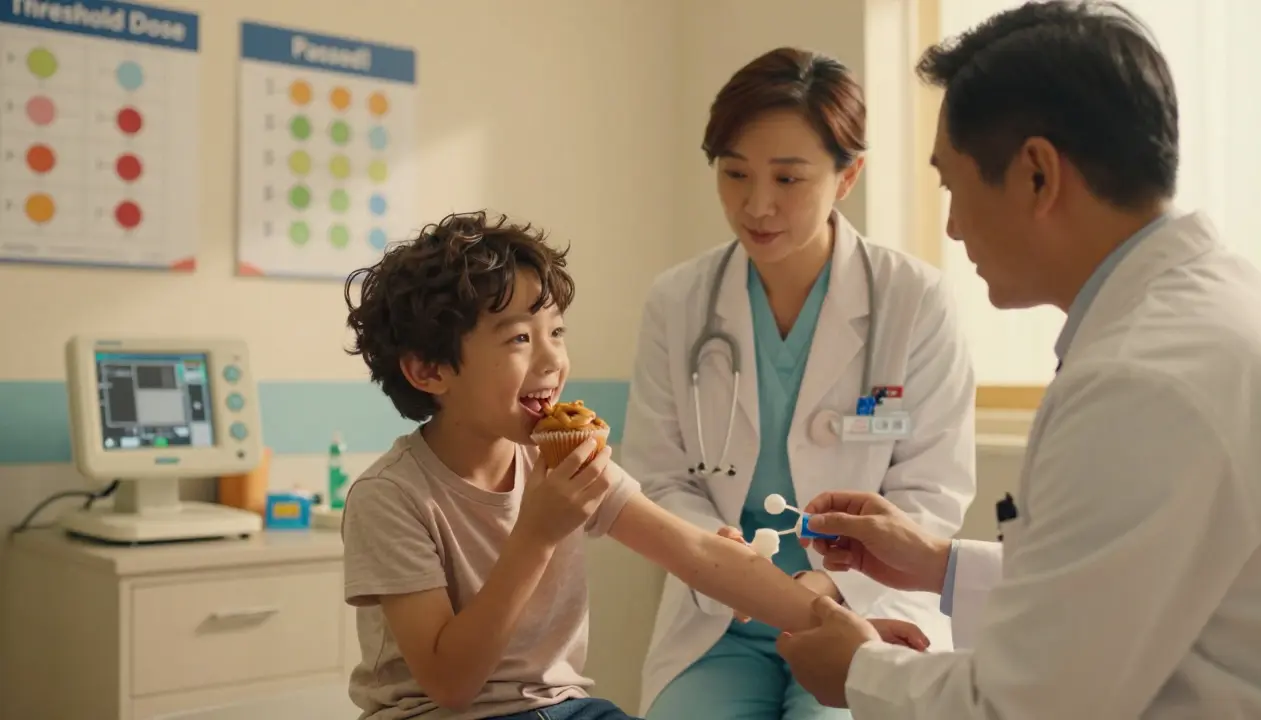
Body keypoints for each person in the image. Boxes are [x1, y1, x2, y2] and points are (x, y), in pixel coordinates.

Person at [770, 2, 1261, 718]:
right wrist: (942, 566)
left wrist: (860, 671)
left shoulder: (1141, 384)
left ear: (1037, 175)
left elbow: (1027, 705)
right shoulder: (1213, 311)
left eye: (953, 186)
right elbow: (1116, 585)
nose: (952, 226)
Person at [338, 210, 927, 720]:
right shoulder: (391, 498)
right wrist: (537, 535)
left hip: (562, 706)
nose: (552, 359)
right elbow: (451, 685)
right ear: (429, 370)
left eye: (556, 331)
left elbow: (698, 554)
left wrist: (848, 632)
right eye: (518, 339)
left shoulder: (563, 457)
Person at [621, 46, 978, 720]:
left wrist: (821, 588)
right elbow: (657, 477)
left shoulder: (915, 299)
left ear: (847, 177)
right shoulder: (678, 300)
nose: (756, 205)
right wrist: (729, 565)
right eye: (734, 173)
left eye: (788, 178)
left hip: (860, 605)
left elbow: (932, 490)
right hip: (720, 616)